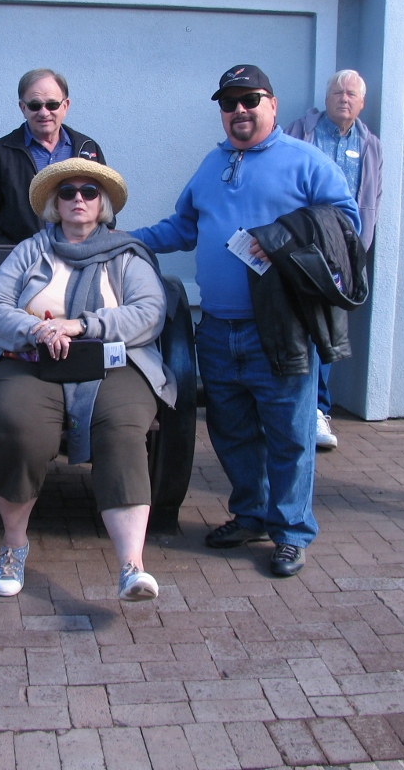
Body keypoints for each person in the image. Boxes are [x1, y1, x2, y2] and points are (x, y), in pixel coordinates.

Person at [132, 65, 359, 576]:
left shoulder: (306, 162)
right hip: (215, 328)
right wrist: (124, 238)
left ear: (272, 105)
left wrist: (284, 233)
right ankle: (251, 514)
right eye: (229, 102)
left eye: (250, 99)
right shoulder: (212, 164)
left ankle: (291, 531)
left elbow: (347, 225)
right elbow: (183, 227)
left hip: (279, 329)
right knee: (231, 432)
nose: (239, 109)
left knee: (289, 435)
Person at [0, 158, 176, 600]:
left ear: (102, 202)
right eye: (68, 192)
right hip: (31, 360)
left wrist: (82, 325)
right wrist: (36, 329)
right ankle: (12, 546)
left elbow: (149, 313)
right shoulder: (30, 250)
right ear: (55, 202)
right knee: (18, 426)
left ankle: (131, 566)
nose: (78, 199)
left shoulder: (127, 254)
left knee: (122, 428)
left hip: (112, 364)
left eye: (89, 192)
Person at [283, 69, 383, 451]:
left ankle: (319, 411)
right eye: (338, 91)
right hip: (299, 247)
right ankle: (293, 407)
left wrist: (359, 247)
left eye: (352, 93)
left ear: (362, 102)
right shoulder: (302, 132)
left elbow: (372, 199)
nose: (344, 98)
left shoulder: (370, 144)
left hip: (339, 253)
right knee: (293, 324)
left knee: (326, 329)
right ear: (326, 98)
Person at [0, 68, 107, 245]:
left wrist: (92, 247)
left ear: (65, 106)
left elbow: (104, 204)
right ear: (22, 107)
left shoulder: (88, 148)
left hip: (79, 261)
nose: (44, 113)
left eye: (52, 105)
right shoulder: (0, 152)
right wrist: (9, 252)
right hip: (23, 263)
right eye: (35, 105)